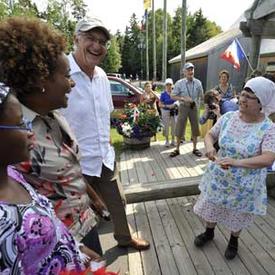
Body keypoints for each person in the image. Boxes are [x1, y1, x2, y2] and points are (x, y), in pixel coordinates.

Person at [0, 16, 105, 256]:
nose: (72, 84)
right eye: (66, 75)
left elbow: (68, 168)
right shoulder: (13, 137)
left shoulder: (53, 116)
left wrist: (93, 198)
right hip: (57, 248)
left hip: (86, 225)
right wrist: (72, 248)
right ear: (41, 80)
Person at [61, 16, 150, 250]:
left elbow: (105, 114)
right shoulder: (60, 73)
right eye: (90, 38)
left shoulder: (101, 75)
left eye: (102, 41)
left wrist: (109, 141)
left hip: (103, 157)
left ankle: (124, 238)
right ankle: (87, 256)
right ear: (76, 39)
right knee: (81, 217)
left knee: (118, 202)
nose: (97, 46)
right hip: (73, 164)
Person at [0, 86, 100, 274]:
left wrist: (79, 251)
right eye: (20, 123)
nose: (30, 132)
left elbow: (52, 231)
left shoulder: (13, 175)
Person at [193, 76, 275, 260]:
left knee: (238, 212)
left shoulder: (269, 128)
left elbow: (268, 158)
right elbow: (210, 135)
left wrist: (235, 162)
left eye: (249, 97)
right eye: (242, 94)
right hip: (220, 178)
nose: (242, 99)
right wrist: (209, 147)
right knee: (213, 203)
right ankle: (209, 232)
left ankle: (233, 240)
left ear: (261, 102)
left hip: (246, 183)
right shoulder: (229, 117)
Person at [170, 62, 204, 157]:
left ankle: (195, 148)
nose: (190, 71)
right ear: (184, 72)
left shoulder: (198, 82)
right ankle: (177, 149)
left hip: (194, 107)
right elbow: (172, 96)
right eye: (188, 70)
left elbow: (202, 95)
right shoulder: (179, 83)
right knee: (180, 127)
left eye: (192, 69)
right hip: (183, 106)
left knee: (195, 128)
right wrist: (183, 98)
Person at [159, 78, 177, 147]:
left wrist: (174, 105)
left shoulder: (175, 93)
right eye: (167, 84)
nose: (169, 86)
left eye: (170, 84)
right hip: (165, 111)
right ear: (165, 85)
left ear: (172, 85)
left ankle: (173, 140)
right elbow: (160, 104)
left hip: (174, 111)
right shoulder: (163, 94)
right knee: (166, 126)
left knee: (174, 126)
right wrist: (167, 106)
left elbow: (178, 101)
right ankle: (167, 140)